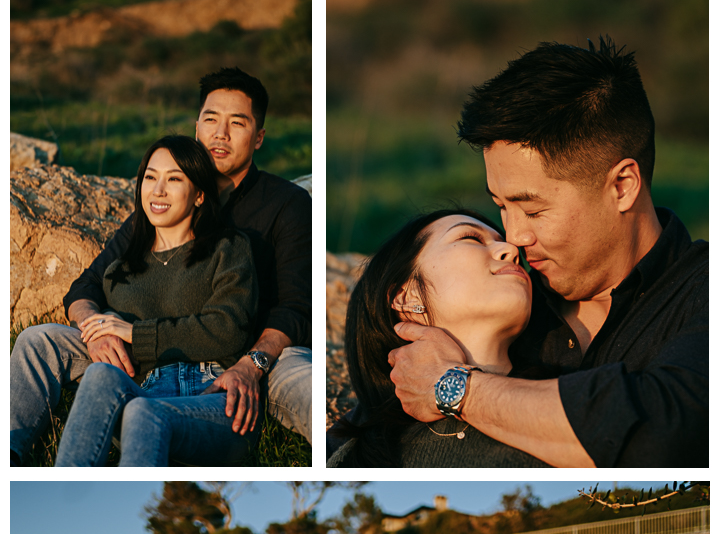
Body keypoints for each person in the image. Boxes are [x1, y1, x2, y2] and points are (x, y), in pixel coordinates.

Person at [385, 37, 707, 468]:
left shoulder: (704, 291)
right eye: (501, 207)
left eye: (533, 210)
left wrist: (455, 388)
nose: (513, 237)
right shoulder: (509, 297)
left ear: (622, 186)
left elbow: (669, 432)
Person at [11, 66, 311, 465]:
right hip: (148, 355)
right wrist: (97, 331)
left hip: (253, 348)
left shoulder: (285, 204)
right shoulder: (155, 212)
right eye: (210, 119)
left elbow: (292, 309)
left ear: (258, 137)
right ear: (197, 125)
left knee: (306, 384)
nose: (220, 134)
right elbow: (87, 286)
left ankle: (351, 445)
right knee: (39, 340)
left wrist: (251, 364)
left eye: (237, 123)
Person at [51, 134, 260, 466]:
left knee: (144, 412)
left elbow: (228, 330)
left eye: (174, 179)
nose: (158, 190)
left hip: (215, 398)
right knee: (107, 382)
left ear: (200, 195)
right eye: (150, 177)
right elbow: (83, 293)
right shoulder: (121, 269)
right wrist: (102, 329)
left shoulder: (229, 248)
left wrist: (135, 332)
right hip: (143, 390)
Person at [326, 208, 551, 467]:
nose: (510, 251)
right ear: (406, 296)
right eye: (471, 239)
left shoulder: (576, 388)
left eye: (503, 242)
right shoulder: (359, 452)